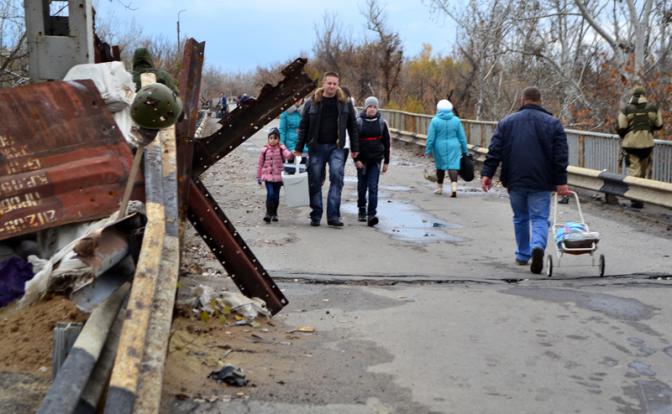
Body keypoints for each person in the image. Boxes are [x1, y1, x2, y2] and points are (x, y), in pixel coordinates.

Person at [481, 86, 570, 274]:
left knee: (520, 217)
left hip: (515, 179)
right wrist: (561, 181)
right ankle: (537, 246)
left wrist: (487, 174)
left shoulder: (506, 123)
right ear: (540, 101)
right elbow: (560, 155)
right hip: (542, 180)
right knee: (539, 217)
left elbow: (494, 150)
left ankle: (523, 255)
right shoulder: (553, 123)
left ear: (522, 100)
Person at [294, 71, 359, 227]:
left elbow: (353, 127)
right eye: (329, 83)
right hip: (316, 147)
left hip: (337, 147)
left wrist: (355, 148)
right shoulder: (312, 102)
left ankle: (333, 216)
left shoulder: (345, 103)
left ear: (338, 85)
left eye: (334, 84)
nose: (331, 86)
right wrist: (298, 148)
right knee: (314, 181)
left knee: (337, 178)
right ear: (323, 84)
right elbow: (303, 127)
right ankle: (316, 214)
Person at [617, 86, 663, 208]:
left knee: (634, 171)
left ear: (633, 95)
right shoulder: (653, 108)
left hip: (631, 145)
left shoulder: (626, 109)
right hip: (647, 144)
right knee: (643, 172)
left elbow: (621, 127)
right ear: (644, 95)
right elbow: (659, 125)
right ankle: (642, 196)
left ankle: (636, 199)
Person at [355, 96, 391, 227]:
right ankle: (361, 208)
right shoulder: (358, 122)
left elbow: (387, 143)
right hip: (362, 160)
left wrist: (386, 162)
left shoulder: (382, 123)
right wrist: (356, 159)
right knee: (362, 186)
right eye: (370, 106)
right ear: (365, 108)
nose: (372, 109)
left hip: (376, 160)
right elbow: (355, 142)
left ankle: (372, 214)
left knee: (373, 187)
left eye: (375, 107)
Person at [425, 99, 469, 197]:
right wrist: (465, 150)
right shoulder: (456, 120)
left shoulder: (435, 121)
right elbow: (462, 137)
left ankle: (439, 188)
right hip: (454, 145)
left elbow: (430, 138)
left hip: (439, 146)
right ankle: (453, 188)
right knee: (453, 166)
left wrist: (427, 151)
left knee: (440, 167)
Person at [257, 128, 294, 223]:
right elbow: (260, 164)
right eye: (271, 138)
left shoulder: (281, 148)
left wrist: (292, 154)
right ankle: (268, 214)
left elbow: (288, 156)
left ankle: (275, 213)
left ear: (278, 139)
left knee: (276, 196)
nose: (273, 140)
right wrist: (259, 176)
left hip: (278, 177)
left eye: (275, 138)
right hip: (267, 177)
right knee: (270, 194)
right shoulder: (264, 150)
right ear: (268, 139)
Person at [279, 98, 306, 164]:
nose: (298, 99)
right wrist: (281, 144)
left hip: (304, 144)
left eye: (300, 98)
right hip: (290, 145)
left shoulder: (306, 111)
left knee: (303, 169)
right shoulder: (286, 112)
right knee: (291, 169)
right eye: (296, 97)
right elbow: (282, 130)